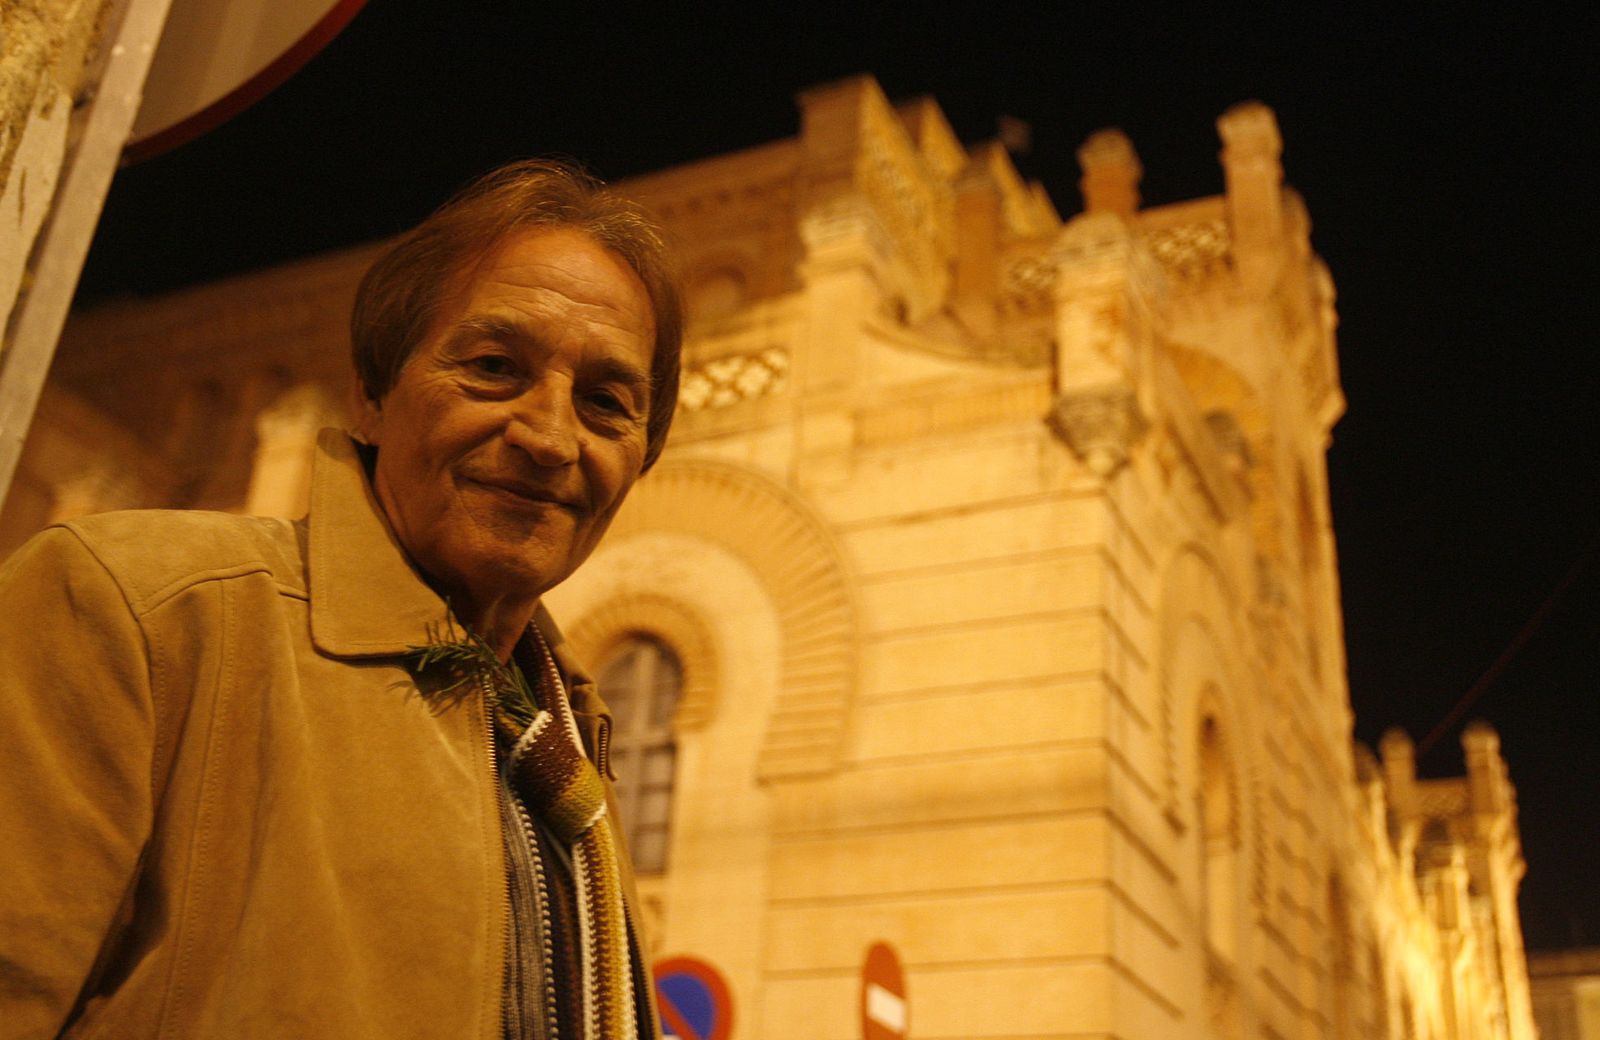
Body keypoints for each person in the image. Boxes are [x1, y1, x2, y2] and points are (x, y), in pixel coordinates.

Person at [0, 160, 682, 1040]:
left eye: (605, 402)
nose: (551, 437)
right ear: (370, 391)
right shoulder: (139, 609)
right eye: (493, 367)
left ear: (642, 454)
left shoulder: (563, 740)